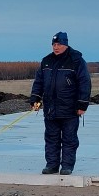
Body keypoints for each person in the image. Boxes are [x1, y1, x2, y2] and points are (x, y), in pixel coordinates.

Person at [29, 31, 91, 175]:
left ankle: (67, 166)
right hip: (50, 109)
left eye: (59, 44)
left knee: (69, 139)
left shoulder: (76, 60)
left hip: (70, 109)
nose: (56, 47)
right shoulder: (46, 61)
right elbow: (39, 82)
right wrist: (35, 99)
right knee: (51, 138)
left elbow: (84, 82)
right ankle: (52, 165)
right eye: (54, 44)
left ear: (66, 44)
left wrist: (82, 104)